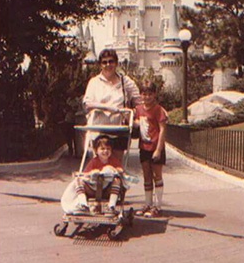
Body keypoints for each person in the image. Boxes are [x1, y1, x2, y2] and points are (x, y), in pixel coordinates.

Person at [82, 48, 141, 157]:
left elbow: (139, 100)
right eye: (104, 62)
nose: (108, 65)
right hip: (99, 131)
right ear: (100, 65)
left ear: (116, 63)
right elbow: (87, 104)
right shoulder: (94, 82)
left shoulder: (125, 81)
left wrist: (134, 116)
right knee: (100, 166)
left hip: (118, 130)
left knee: (116, 166)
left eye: (111, 61)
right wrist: (107, 108)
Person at [60, 135, 128, 215]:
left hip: (107, 190)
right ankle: (83, 204)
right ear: (96, 151)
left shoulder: (113, 161)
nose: (105, 151)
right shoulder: (94, 161)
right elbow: (86, 174)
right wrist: (88, 174)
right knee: (78, 180)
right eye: (102, 149)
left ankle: (111, 206)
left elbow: (120, 170)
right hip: (93, 189)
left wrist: (114, 170)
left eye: (108, 149)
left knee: (117, 180)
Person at [134, 82, 168, 217]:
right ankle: (147, 203)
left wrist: (158, 150)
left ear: (154, 94)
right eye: (144, 94)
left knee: (157, 176)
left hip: (155, 147)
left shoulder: (158, 110)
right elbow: (137, 123)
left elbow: (162, 130)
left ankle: (157, 205)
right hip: (144, 147)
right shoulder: (138, 109)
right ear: (141, 95)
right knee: (147, 176)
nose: (147, 97)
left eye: (150, 94)